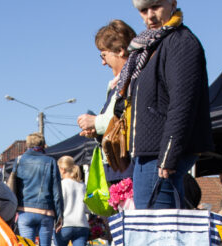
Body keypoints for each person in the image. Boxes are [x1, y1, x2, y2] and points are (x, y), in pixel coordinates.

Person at [121, 0, 213, 210]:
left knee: (157, 230)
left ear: (172, 3)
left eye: (155, 7)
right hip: (150, 152)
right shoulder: (150, 45)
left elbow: (183, 103)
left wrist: (169, 154)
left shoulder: (180, 42)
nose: (149, 16)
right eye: (143, 10)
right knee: (158, 227)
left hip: (160, 153)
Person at [77, 20, 137, 179]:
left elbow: (127, 117)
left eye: (104, 55)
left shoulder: (133, 80)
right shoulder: (119, 83)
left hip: (126, 165)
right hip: (117, 164)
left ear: (120, 51)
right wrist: (96, 131)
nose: (103, 62)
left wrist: (95, 122)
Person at [9, 132, 63, 246]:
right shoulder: (50, 161)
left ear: (27, 145)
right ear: (43, 144)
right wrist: (60, 216)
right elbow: (57, 192)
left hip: (25, 212)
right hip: (46, 212)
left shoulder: (19, 161)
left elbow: (14, 187)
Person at [52, 156, 94, 246]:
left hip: (65, 224)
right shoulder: (82, 186)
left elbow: (57, 204)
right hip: (81, 224)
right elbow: (88, 206)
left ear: (63, 169)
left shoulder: (61, 184)